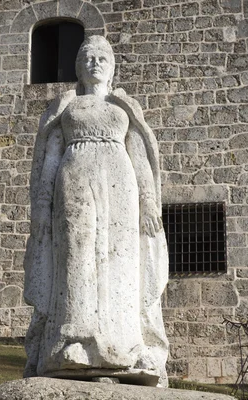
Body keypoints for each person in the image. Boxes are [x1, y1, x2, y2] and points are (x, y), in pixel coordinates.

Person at [23, 35, 169, 387]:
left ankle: (125, 346)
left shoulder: (124, 106)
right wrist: (42, 205)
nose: (95, 63)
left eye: (102, 57)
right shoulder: (67, 106)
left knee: (120, 259)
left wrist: (149, 199)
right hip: (74, 178)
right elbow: (50, 157)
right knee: (76, 255)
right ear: (78, 65)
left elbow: (139, 154)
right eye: (87, 57)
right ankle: (73, 342)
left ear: (113, 64)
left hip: (121, 185)